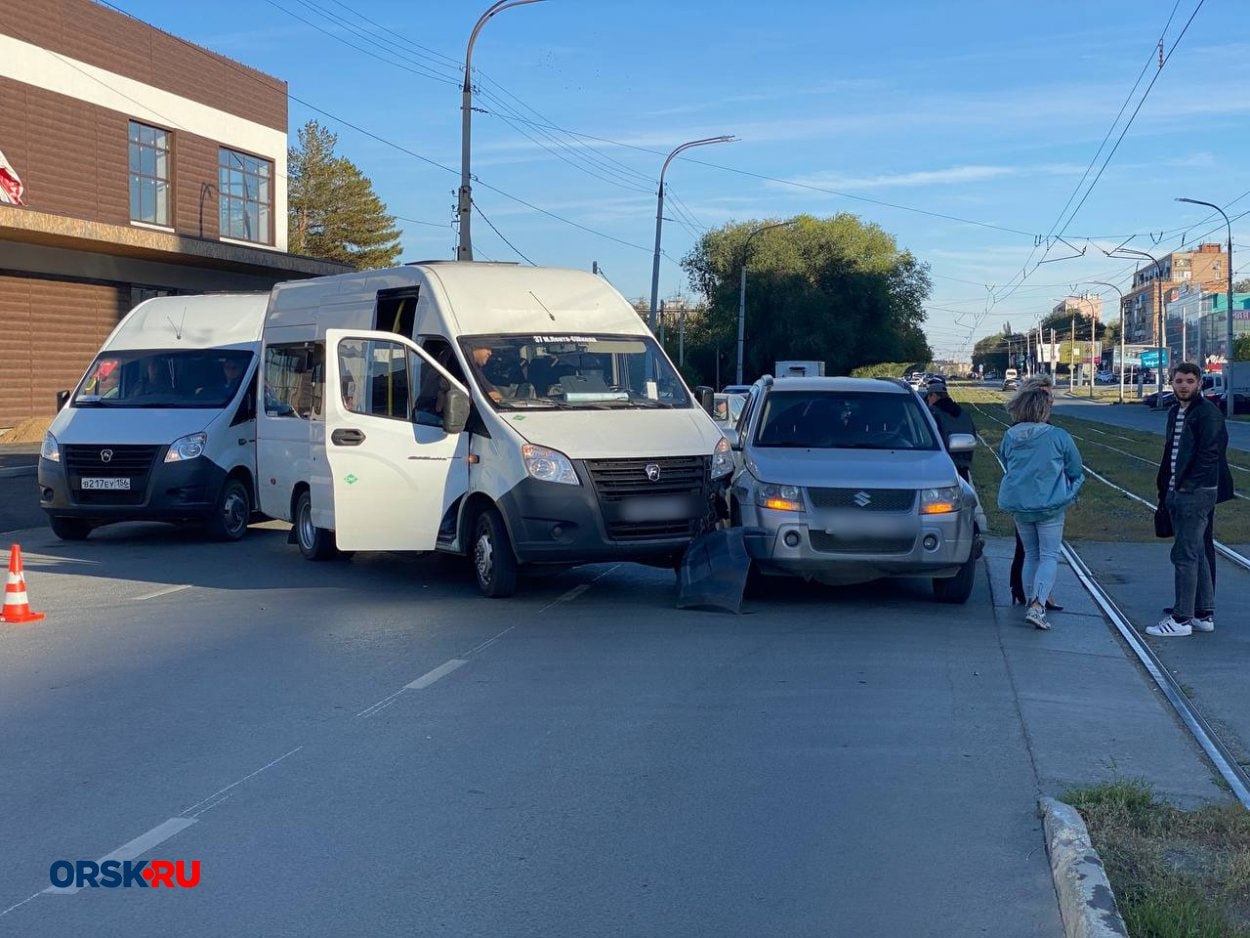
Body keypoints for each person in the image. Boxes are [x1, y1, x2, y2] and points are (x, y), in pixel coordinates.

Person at [1146, 362, 1234, 637]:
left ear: (1199, 383)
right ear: (1171, 382)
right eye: (1179, 381)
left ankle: (1181, 619)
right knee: (1197, 552)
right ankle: (1203, 614)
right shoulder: (1175, 412)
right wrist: (1166, 487)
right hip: (1179, 489)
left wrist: (1187, 486)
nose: (1184, 385)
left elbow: (1211, 453)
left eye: (1189, 381)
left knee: (1185, 554)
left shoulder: (1207, 413)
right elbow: (1170, 452)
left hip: (1195, 492)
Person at [997, 375, 1084, 630]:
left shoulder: (1010, 436)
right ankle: (1038, 605)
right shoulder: (1058, 436)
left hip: (1020, 506)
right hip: (1050, 505)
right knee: (1048, 555)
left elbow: (1006, 461)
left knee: (1031, 555)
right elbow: (1075, 467)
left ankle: (1030, 600)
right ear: (1044, 408)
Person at [925, 377, 976, 481]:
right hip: (963, 465)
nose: (928, 401)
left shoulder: (932, 413)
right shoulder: (963, 413)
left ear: (933, 395)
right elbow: (973, 436)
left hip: (940, 466)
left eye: (928, 398)